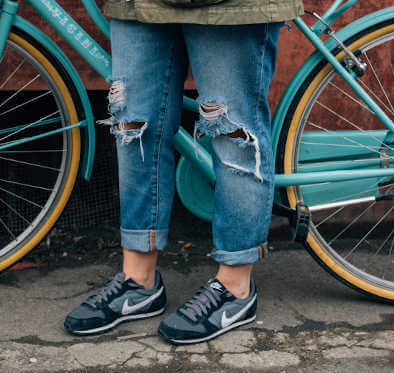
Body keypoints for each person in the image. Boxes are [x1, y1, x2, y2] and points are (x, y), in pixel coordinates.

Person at [64, 0, 304, 344]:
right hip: (139, 5)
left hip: (231, 7)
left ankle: (235, 286)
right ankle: (138, 280)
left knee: (231, 131)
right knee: (134, 129)